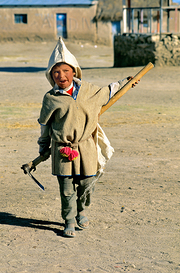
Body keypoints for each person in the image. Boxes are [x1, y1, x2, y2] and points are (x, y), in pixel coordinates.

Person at [37, 37, 138, 237]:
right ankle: (69, 221)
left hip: (86, 147)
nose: (61, 75)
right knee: (66, 188)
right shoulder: (50, 98)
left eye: (66, 70)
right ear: (51, 75)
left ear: (74, 71)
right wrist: (43, 147)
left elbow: (109, 91)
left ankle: (81, 211)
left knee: (86, 184)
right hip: (62, 148)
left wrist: (127, 82)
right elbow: (44, 126)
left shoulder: (89, 90)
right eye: (56, 71)